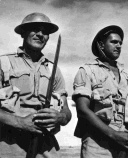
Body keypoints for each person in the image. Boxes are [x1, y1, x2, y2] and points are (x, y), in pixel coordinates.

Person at [0, 12, 71, 157]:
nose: (40, 34)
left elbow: (66, 110)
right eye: (35, 29)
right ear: (23, 33)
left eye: (45, 32)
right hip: (9, 142)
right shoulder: (4, 63)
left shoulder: (53, 69)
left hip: (44, 143)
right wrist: (20, 122)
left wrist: (61, 117)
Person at [72, 25, 128, 158]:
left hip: (127, 141)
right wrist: (114, 135)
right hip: (98, 143)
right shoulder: (87, 71)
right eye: (114, 42)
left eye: (120, 43)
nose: (119, 46)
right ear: (101, 45)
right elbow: (82, 110)